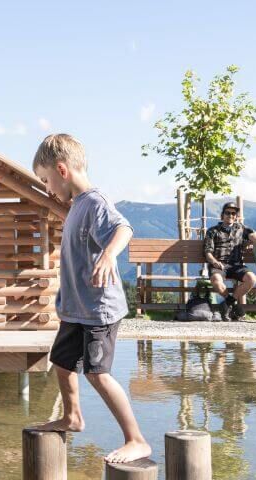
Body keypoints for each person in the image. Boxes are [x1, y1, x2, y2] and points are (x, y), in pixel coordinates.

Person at [30, 133, 151, 463]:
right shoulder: (77, 206)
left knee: (97, 373)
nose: (46, 188)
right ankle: (72, 417)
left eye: (46, 180)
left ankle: (136, 439)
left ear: (62, 169)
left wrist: (110, 254)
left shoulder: (95, 202)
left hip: (99, 310)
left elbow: (124, 228)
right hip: (76, 311)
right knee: (62, 362)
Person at [203, 203, 250, 316]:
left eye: (233, 213)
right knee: (216, 280)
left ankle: (227, 303)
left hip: (237, 265)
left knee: (251, 279)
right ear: (222, 215)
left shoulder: (241, 228)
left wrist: (255, 243)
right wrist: (214, 262)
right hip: (219, 265)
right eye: (227, 213)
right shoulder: (212, 231)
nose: (231, 215)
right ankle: (233, 305)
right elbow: (208, 252)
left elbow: (254, 235)